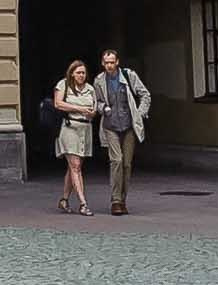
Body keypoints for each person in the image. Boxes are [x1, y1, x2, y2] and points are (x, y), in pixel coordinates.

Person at [91, 47, 151, 216]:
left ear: (117, 62)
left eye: (112, 62)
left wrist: (139, 113)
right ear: (103, 63)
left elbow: (145, 94)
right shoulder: (99, 81)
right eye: (106, 62)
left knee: (127, 164)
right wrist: (104, 108)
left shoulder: (128, 76)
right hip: (110, 126)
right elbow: (96, 102)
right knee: (116, 160)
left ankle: (123, 200)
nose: (109, 65)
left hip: (129, 126)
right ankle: (116, 201)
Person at [52, 60, 98, 215]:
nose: (81, 75)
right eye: (78, 72)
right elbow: (58, 104)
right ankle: (83, 203)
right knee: (75, 166)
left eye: (83, 73)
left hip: (85, 129)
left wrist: (91, 112)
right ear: (72, 73)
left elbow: (94, 109)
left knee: (73, 168)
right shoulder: (63, 84)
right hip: (70, 128)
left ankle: (64, 200)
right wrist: (79, 108)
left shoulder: (90, 89)